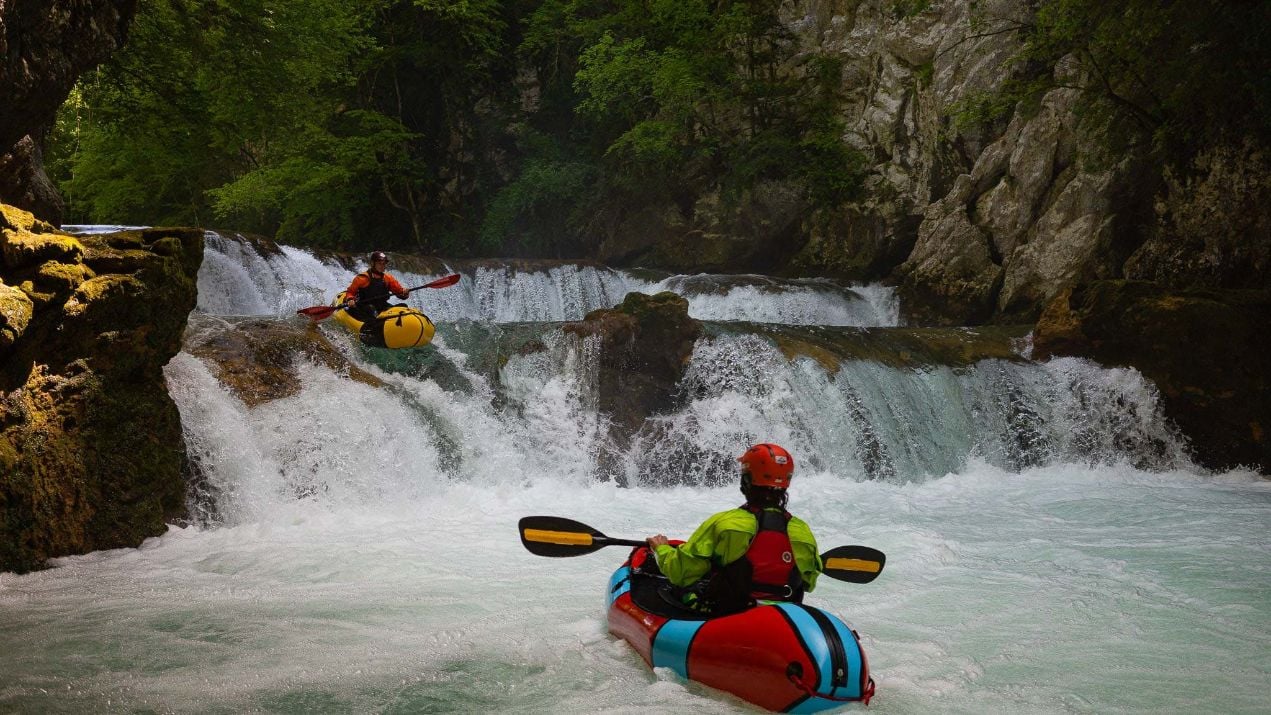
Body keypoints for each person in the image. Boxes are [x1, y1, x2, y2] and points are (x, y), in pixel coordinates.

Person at [645, 443, 821, 616]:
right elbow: (808, 582)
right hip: (785, 617)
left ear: (746, 480)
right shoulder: (802, 532)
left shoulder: (726, 523)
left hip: (729, 615)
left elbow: (680, 572)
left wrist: (661, 549)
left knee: (683, 588)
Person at [343, 250, 410, 325]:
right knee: (371, 309)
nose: (382, 266)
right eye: (379, 264)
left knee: (403, 307)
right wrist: (350, 299)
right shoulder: (362, 278)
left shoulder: (388, 278)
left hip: (382, 306)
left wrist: (404, 293)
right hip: (364, 306)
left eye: (384, 264)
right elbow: (350, 292)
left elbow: (399, 293)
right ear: (373, 263)